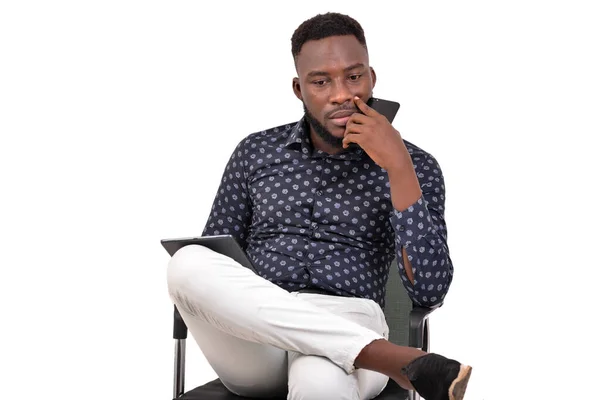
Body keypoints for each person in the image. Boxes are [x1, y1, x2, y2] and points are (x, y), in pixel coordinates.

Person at [167, 12, 472, 400]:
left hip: (349, 314)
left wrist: (398, 166)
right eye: (321, 81)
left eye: (354, 76)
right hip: (255, 336)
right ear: (299, 88)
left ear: (372, 78)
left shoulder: (416, 166)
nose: (341, 93)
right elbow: (218, 265)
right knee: (188, 263)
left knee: (321, 382)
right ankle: (395, 360)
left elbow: (429, 291)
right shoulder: (255, 153)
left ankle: (364, 351)